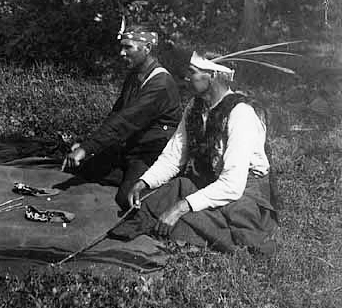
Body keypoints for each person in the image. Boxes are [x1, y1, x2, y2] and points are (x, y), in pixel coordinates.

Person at [111, 52, 278, 253]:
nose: (186, 78)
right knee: (157, 198)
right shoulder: (195, 106)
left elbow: (233, 184)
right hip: (212, 180)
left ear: (214, 76)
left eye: (193, 72)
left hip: (244, 191)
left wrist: (181, 207)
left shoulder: (241, 113)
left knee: (201, 218)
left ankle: (200, 229)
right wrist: (144, 182)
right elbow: (174, 156)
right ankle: (186, 223)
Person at [62, 20, 182, 210]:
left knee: (126, 198)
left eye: (128, 48)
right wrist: (88, 145)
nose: (122, 53)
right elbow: (116, 115)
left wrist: (86, 148)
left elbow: (126, 121)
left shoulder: (161, 83)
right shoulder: (135, 76)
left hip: (151, 153)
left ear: (147, 48)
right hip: (130, 146)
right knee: (80, 168)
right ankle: (121, 172)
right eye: (122, 47)